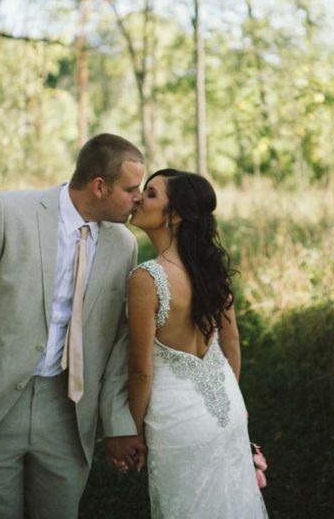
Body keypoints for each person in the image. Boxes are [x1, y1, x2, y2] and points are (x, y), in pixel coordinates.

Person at [0, 133, 147, 519]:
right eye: (131, 188)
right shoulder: (8, 211)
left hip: (69, 414)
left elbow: (121, 342)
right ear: (99, 186)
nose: (138, 197)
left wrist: (118, 420)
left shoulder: (124, 245)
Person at [128, 169, 269, 518]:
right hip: (228, 409)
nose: (138, 199)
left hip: (177, 422)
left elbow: (142, 371)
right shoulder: (210, 268)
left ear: (174, 215)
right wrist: (227, 397)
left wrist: (132, 430)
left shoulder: (146, 278)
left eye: (151, 194)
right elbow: (231, 340)